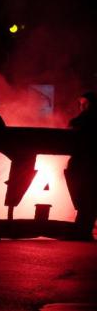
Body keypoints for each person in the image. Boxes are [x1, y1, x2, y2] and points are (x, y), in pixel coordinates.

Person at [68, 91, 97, 240]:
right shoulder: (84, 119)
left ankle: (83, 228)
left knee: (87, 195)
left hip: (87, 162)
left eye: (85, 104)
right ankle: (84, 228)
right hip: (85, 162)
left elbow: (74, 124)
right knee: (86, 195)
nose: (82, 106)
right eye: (81, 104)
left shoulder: (87, 119)